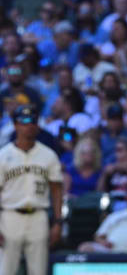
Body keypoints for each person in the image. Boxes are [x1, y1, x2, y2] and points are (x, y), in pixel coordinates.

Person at [0, 105, 63, 275]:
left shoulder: (48, 155)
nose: (29, 126)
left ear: (38, 125)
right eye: (24, 122)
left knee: (39, 270)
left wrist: (58, 222)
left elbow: (57, 189)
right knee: (6, 270)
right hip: (9, 216)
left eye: (33, 121)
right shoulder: (3, 155)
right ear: (15, 125)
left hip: (38, 215)